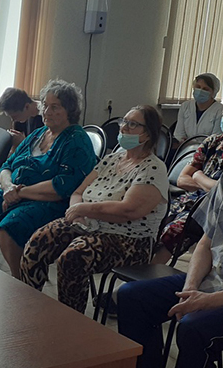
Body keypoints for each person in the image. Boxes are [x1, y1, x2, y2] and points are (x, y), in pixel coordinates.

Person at [20, 105, 169, 314]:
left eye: (133, 124)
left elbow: (128, 210)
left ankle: (70, 321)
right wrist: (77, 213)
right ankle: (28, 306)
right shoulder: (112, 159)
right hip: (88, 224)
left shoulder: (153, 168)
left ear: (148, 133)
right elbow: (78, 192)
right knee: (38, 241)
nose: (124, 127)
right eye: (124, 121)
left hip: (130, 240)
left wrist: (85, 209)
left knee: (74, 257)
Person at [118, 178, 223, 368]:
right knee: (133, 298)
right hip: (212, 282)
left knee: (194, 329)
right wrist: (190, 289)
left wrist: (207, 301)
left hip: (219, 295)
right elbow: (206, 242)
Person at [0, 79, 96, 278]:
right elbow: (7, 166)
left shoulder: (76, 140)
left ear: (69, 110)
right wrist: (8, 187)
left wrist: (19, 192)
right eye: (45, 105)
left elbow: (61, 187)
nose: (46, 112)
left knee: (9, 229)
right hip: (14, 192)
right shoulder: (39, 134)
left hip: (50, 202)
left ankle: (21, 283)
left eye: (55, 107)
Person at [153, 132, 223, 264]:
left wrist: (197, 176)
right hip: (188, 199)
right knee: (156, 216)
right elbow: (182, 179)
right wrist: (206, 184)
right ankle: (138, 264)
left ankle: (147, 270)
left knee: (174, 230)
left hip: (212, 209)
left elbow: (221, 191)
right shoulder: (212, 141)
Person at [174, 73, 223, 144]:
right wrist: (184, 142)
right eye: (198, 87)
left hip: (207, 149)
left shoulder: (220, 110)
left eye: (205, 89)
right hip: (184, 148)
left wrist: (193, 144)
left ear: (213, 92)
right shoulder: (185, 106)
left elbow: (215, 138)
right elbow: (179, 134)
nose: (200, 91)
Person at [0, 87, 44, 152]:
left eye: (15, 116)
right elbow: (14, 151)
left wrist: (23, 142)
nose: (13, 120)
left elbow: (43, 150)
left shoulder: (46, 117)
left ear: (27, 106)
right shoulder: (19, 120)